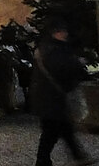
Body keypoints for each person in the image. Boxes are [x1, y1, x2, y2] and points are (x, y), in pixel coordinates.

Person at [30, 19, 95, 166]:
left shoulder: (48, 47)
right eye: (61, 31)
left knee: (63, 128)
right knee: (52, 131)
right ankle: (43, 160)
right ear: (55, 33)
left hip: (49, 96)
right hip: (51, 97)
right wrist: (78, 63)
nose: (64, 34)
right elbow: (61, 68)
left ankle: (77, 156)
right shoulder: (53, 49)